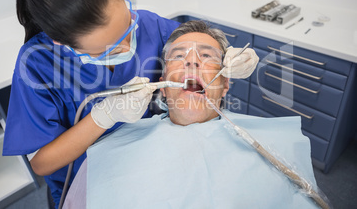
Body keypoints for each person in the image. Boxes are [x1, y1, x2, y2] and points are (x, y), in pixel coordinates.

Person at [2, 0, 259, 208]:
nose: (128, 45)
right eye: (111, 49)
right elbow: (41, 162)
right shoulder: (37, 64)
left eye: (128, 25)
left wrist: (229, 56)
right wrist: (103, 117)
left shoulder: (147, 24)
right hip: (91, 182)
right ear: (63, 44)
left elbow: (193, 44)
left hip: (151, 160)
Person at [63, 21, 320, 209]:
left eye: (206, 55)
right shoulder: (111, 152)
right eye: (179, 56)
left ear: (226, 84)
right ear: (162, 86)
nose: (192, 62)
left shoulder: (274, 149)